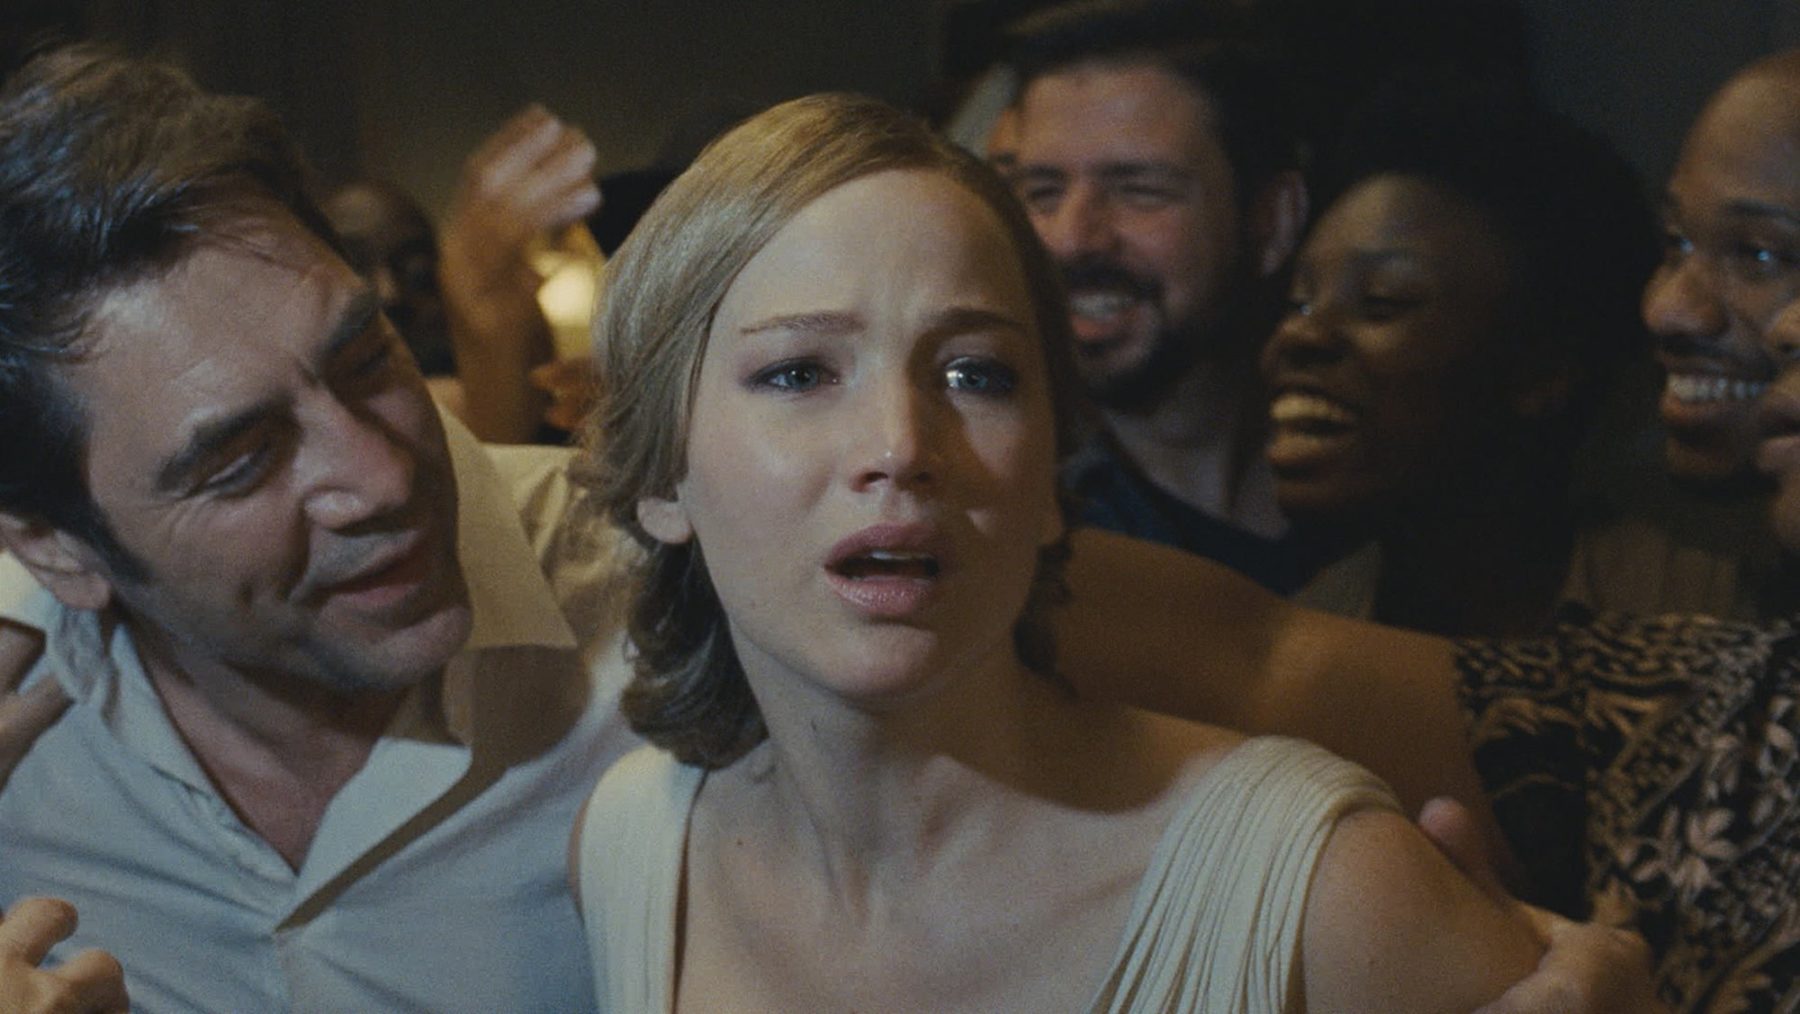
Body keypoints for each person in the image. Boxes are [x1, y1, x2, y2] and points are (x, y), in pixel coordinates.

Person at [572, 91, 1546, 1012]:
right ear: (660, 476)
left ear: (1049, 475)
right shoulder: (633, 847)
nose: (901, 446)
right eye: (799, 373)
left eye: (975, 374)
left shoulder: (1327, 893)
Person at [0, 46, 637, 1011]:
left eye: (367, 361)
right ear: (56, 546)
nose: (381, 477)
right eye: (240, 460)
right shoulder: (28, 744)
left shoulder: (676, 599)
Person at [1266, 76, 1743, 635]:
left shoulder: (1712, 615)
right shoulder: (1305, 630)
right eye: (1299, 303)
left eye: (1382, 301)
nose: (1299, 336)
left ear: (1545, 370)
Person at [1008, 1, 1320, 591]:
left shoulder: (1394, 498)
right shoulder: (1008, 526)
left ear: (1273, 219)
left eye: (1139, 190)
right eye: (1043, 193)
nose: (1071, 239)